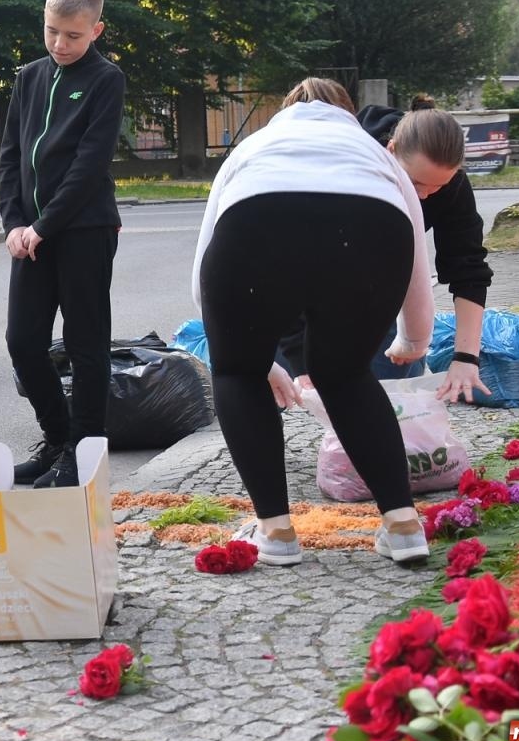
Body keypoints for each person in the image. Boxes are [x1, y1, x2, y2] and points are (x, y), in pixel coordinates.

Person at [191, 78, 436, 566]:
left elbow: (204, 269)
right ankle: (404, 525)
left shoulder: (253, 146)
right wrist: (414, 340)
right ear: (346, 114)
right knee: (345, 375)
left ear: (284, 112)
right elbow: (416, 262)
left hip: (257, 221)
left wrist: (245, 353)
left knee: (237, 374)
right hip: (369, 227)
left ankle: (276, 533)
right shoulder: (376, 155)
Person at [0, 0, 126, 488]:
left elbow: (89, 165)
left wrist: (44, 226)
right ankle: (56, 438)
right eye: (52, 31)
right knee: (22, 340)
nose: (59, 44)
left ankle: (84, 451)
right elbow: (8, 157)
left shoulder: (105, 80)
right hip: (30, 235)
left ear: (96, 29)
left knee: (85, 343)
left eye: (72, 35)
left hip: (84, 230)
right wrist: (14, 223)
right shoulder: (29, 77)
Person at [281, 105, 493, 404]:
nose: (423, 196)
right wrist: (298, 354)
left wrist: (465, 358)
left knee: (387, 396)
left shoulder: (451, 185)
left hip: (380, 288)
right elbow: (292, 267)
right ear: (390, 151)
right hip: (305, 290)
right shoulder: (347, 169)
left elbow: (468, 268)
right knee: (283, 382)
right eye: (416, 183)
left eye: (438, 188)